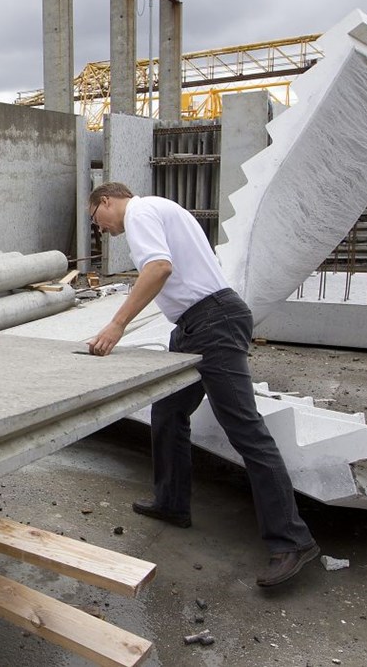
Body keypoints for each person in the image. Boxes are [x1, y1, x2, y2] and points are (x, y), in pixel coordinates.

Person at [86, 182, 318, 588]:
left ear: (107, 200)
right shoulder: (160, 209)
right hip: (197, 324)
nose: (101, 229)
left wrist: (116, 324)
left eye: (96, 220)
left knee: (245, 430)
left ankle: (294, 541)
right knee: (169, 408)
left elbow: (158, 269)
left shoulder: (139, 213)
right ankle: (172, 503)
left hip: (212, 322)